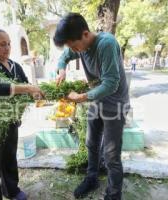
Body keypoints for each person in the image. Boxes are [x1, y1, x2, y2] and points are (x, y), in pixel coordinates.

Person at [54, 13, 130, 200]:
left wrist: (82, 97)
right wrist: (62, 69)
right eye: (71, 47)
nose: (74, 50)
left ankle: (113, 195)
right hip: (97, 101)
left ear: (86, 34)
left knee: (111, 155)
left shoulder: (106, 44)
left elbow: (111, 83)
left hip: (115, 104)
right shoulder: (79, 46)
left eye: (74, 46)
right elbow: (64, 56)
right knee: (91, 143)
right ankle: (92, 178)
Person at [0, 28, 43, 200]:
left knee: (9, 158)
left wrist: (34, 94)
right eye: (2, 44)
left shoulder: (15, 66)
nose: (7, 48)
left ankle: (11, 190)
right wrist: (26, 88)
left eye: (9, 44)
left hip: (10, 119)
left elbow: (26, 86)